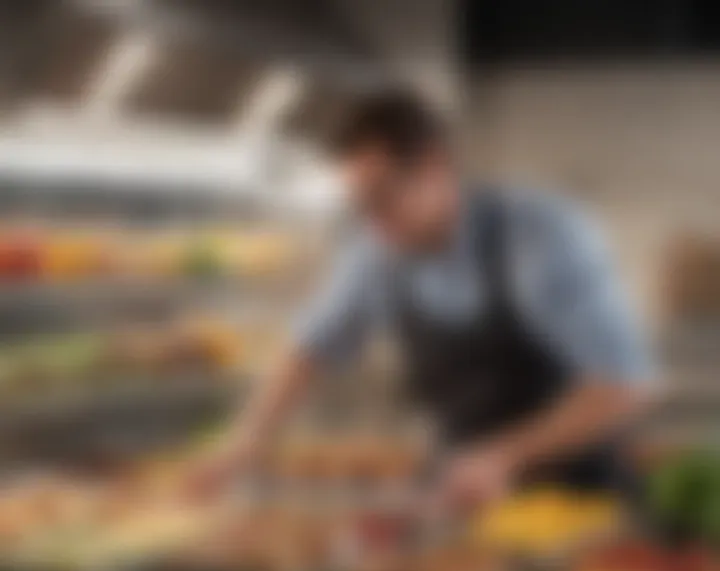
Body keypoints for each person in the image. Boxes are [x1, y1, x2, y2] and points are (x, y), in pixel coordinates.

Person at [199, 89, 653, 506]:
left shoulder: (541, 235)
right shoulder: (379, 248)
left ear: (435, 166)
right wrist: (244, 444)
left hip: (580, 502)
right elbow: (308, 351)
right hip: (464, 498)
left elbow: (623, 385)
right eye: (360, 204)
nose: (373, 221)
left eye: (384, 198)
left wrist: (502, 456)